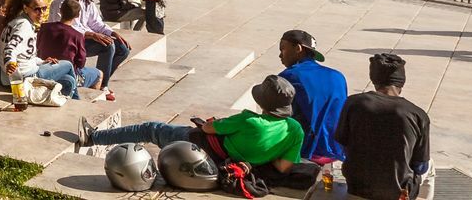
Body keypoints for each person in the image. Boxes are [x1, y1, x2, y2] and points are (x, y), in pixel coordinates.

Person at [77, 75, 306, 177]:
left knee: (150, 129)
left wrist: (212, 125)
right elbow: (283, 167)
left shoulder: (249, 120)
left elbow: (208, 129)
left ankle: (94, 137)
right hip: (229, 166)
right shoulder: (295, 129)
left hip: (200, 146)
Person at [335, 53, 432, 200]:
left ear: (374, 79)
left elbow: (342, 144)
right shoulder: (418, 114)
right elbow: (420, 166)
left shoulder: (353, 103)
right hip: (397, 193)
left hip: (356, 188)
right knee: (430, 168)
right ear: (402, 82)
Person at [0, 0, 89, 97]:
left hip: (11, 77)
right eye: (37, 9)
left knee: (68, 79)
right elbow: (10, 48)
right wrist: (9, 62)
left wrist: (42, 61)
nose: (41, 13)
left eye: (44, 8)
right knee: (68, 65)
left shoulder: (17, 22)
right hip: (25, 77)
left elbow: (24, 55)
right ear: (26, 8)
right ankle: (77, 103)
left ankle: (69, 100)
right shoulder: (24, 26)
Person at [278, 29, 349, 162]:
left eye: (283, 49)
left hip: (308, 151)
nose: (280, 55)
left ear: (298, 48)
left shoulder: (288, 76)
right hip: (337, 150)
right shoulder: (338, 76)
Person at [57, 0, 131, 83]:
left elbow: (96, 22)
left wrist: (111, 32)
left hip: (86, 38)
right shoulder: (61, 3)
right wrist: (91, 34)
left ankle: (100, 79)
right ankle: (102, 85)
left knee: (123, 48)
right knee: (107, 46)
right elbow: (67, 29)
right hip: (71, 42)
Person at [37, 0, 104, 98]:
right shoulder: (77, 35)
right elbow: (81, 62)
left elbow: (38, 47)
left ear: (60, 11)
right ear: (77, 15)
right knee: (99, 74)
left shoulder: (44, 27)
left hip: (46, 68)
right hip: (69, 73)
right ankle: (91, 104)